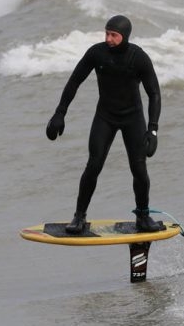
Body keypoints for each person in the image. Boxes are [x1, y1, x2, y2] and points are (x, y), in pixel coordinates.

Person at [46, 15, 162, 234]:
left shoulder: (138, 58)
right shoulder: (96, 53)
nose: (108, 38)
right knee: (93, 165)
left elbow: (154, 93)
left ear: (125, 36)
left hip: (132, 118)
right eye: (106, 33)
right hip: (105, 116)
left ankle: (143, 217)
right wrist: (59, 113)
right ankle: (79, 217)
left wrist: (153, 129)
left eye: (114, 35)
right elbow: (74, 81)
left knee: (139, 170)